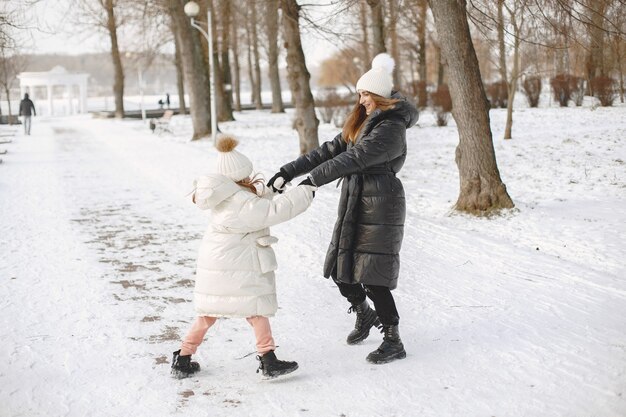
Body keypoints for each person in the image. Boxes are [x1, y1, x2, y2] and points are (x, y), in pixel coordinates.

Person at [267, 53, 418, 365]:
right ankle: (364, 314)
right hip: (355, 199)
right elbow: (330, 151)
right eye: (360, 94)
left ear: (379, 95)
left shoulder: (392, 128)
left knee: (373, 276)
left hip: (381, 203)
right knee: (342, 271)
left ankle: (393, 339)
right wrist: (287, 172)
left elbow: (356, 158)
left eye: (365, 94)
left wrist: (313, 181)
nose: (361, 100)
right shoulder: (362, 121)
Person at [171, 135, 316, 379]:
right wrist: (305, 191)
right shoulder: (240, 201)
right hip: (236, 265)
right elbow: (270, 212)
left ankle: (183, 357)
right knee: (256, 309)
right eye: (247, 175)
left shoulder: (225, 196)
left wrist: (271, 190)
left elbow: (254, 207)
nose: (250, 179)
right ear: (239, 177)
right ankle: (268, 360)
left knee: (208, 314)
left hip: (220, 264)